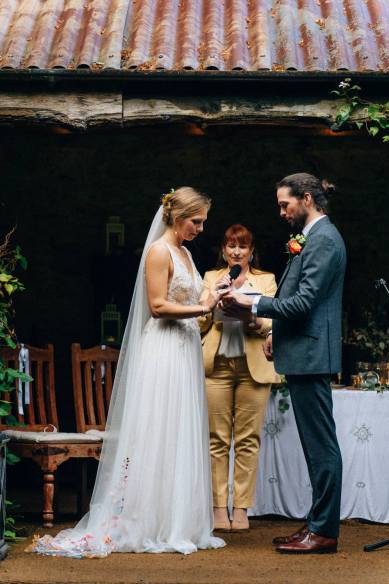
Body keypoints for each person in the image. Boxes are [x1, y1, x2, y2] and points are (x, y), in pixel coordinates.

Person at [30, 187, 226, 557]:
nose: (200, 229)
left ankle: (176, 520)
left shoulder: (185, 252)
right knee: (158, 428)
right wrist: (203, 308)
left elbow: (191, 300)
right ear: (176, 216)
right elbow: (157, 305)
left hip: (185, 349)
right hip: (164, 349)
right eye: (196, 221)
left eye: (202, 222)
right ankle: (144, 519)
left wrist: (212, 297)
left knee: (179, 430)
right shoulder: (158, 252)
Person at [223, 173, 346, 554]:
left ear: (306, 199)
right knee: (313, 445)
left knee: (321, 446)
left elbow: (304, 302)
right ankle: (315, 523)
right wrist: (277, 332)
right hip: (302, 351)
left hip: (312, 356)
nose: (281, 211)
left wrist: (252, 302)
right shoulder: (313, 238)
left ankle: (323, 531)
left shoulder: (324, 240)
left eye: (285, 204)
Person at [199, 224, 280, 532]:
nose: (236, 251)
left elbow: (273, 319)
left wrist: (250, 316)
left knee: (248, 440)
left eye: (242, 246)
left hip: (253, 365)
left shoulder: (266, 280)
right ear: (223, 250)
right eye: (231, 246)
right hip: (216, 365)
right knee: (216, 440)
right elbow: (199, 323)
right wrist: (212, 304)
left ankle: (241, 508)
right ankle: (219, 508)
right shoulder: (209, 277)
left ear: (250, 251)